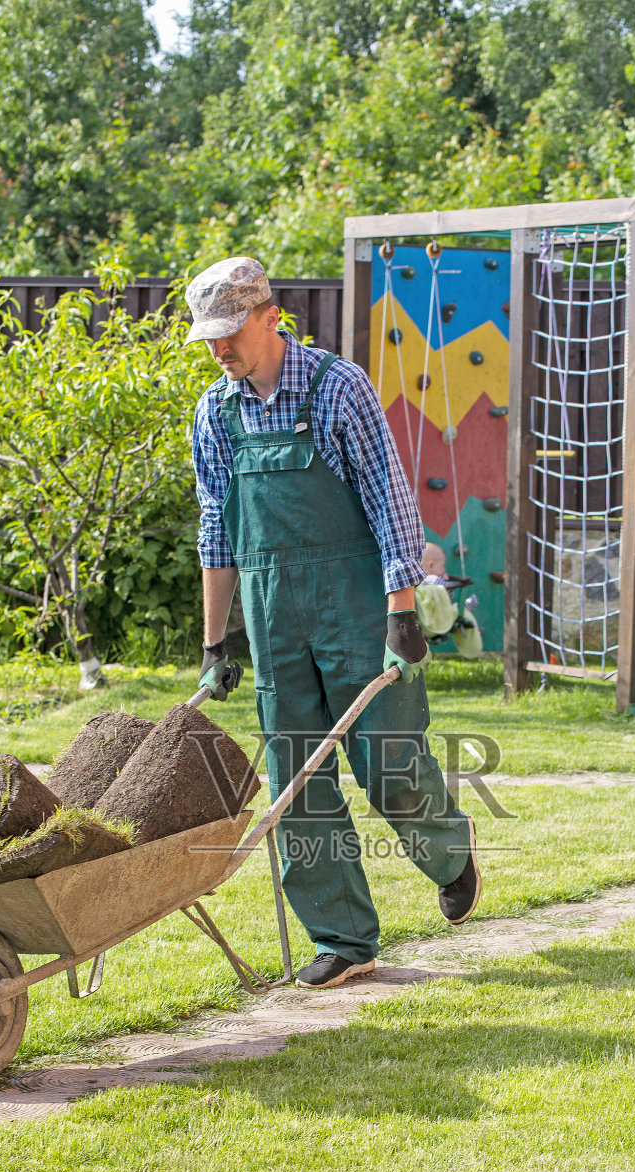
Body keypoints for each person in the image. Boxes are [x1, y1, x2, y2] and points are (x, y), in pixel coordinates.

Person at [187, 256, 481, 990]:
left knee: (385, 760)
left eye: (230, 333)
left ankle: (449, 850)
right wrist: (214, 641)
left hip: (357, 608)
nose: (220, 349)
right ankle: (344, 938)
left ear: (269, 318)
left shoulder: (334, 387)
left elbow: (390, 504)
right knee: (297, 779)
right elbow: (217, 532)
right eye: (208, 338)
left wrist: (403, 609)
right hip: (275, 617)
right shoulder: (215, 412)